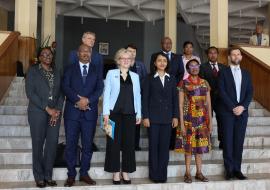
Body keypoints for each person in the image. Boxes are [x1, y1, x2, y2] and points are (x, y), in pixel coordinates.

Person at [62, 44, 104, 187]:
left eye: (88, 51)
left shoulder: (96, 70)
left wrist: (88, 100)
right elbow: (65, 87)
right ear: (78, 53)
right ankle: (71, 175)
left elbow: (99, 89)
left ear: (90, 54)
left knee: (87, 146)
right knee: (71, 145)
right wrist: (77, 100)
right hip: (72, 114)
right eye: (83, 51)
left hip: (89, 113)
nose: (85, 53)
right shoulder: (69, 69)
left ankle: (84, 173)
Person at [25, 47, 64, 188]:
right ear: (39, 57)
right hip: (38, 112)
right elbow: (30, 93)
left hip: (55, 114)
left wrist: (57, 110)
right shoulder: (33, 71)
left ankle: (48, 176)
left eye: (50, 54)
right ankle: (39, 176)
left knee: (52, 144)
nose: (47, 56)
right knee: (38, 144)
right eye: (44, 54)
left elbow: (61, 93)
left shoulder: (57, 71)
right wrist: (48, 109)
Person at [103, 48, 141, 185]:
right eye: (123, 58)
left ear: (131, 61)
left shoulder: (135, 76)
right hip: (113, 114)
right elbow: (106, 94)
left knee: (129, 143)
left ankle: (126, 171)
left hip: (130, 114)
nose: (126, 60)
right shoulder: (111, 73)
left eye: (128, 58)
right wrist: (105, 113)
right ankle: (115, 172)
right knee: (112, 143)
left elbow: (138, 96)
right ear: (118, 60)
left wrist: (139, 113)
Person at [142, 52, 179, 183]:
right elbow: (144, 99)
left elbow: (175, 99)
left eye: (164, 60)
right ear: (154, 63)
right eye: (159, 60)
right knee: (154, 147)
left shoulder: (172, 78)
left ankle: (162, 175)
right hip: (153, 119)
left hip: (168, 119)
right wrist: (145, 116)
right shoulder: (149, 78)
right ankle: (154, 175)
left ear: (167, 63)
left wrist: (175, 116)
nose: (162, 62)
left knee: (164, 147)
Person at [219, 47, 253, 180]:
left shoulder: (247, 73)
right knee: (228, 141)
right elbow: (222, 91)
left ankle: (237, 169)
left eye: (238, 54)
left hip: (242, 114)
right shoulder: (223, 72)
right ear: (229, 57)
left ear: (241, 57)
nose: (236, 56)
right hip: (227, 112)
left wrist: (243, 107)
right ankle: (229, 170)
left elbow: (250, 92)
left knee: (239, 142)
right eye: (233, 54)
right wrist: (233, 107)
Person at [176, 59, 212, 183]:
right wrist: (182, 124)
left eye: (196, 65)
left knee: (200, 148)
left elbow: (208, 104)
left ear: (199, 67)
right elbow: (180, 105)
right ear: (188, 68)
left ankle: (199, 172)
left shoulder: (205, 83)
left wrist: (210, 122)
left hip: (202, 120)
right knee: (188, 148)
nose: (194, 67)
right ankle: (187, 173)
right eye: (191, 66)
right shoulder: (183, 83)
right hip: (188, 120)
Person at [68, 31, 103, 151]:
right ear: (83, 40)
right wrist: (78, 99)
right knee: (72, 141)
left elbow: (99, 82)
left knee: (87, 140)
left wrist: (88, 100)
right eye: (89, 38)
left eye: (94, 39)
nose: (92, 41)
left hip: (90, 103)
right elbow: (70, 78)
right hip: (74, 102)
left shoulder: (98, 56)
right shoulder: (73, 54)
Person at [150, 37, 184, 150]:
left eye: (170, 43)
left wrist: (173, 83)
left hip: (172, 87)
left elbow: (181, 72)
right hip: (158, 89)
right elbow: (152, 70)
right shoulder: (155, 55)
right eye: (165, 43)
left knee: (171, 121)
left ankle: (171, 144)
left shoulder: (178, 57)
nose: (168, 45)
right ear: (161, 44)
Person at [199, 46, 226, 149]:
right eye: (210, 53)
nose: (213, 55)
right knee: (206, 120)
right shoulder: (202, 67)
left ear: (217, 54)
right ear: (207, 55)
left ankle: (222, 141)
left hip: (221, 99)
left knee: (222, 120)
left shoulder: (223, 67)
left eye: (215, 53)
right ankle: (207, 141)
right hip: (207, 98)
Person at [126, 43, 147, 151]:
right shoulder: (122, 64)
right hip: (125, 99)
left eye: (134, 52)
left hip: (137, 98)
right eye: (129, 51)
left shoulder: (140, 65)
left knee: (137, 122)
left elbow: (144, 79)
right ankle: (125, 144)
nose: (132, 53)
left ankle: (135, 145)